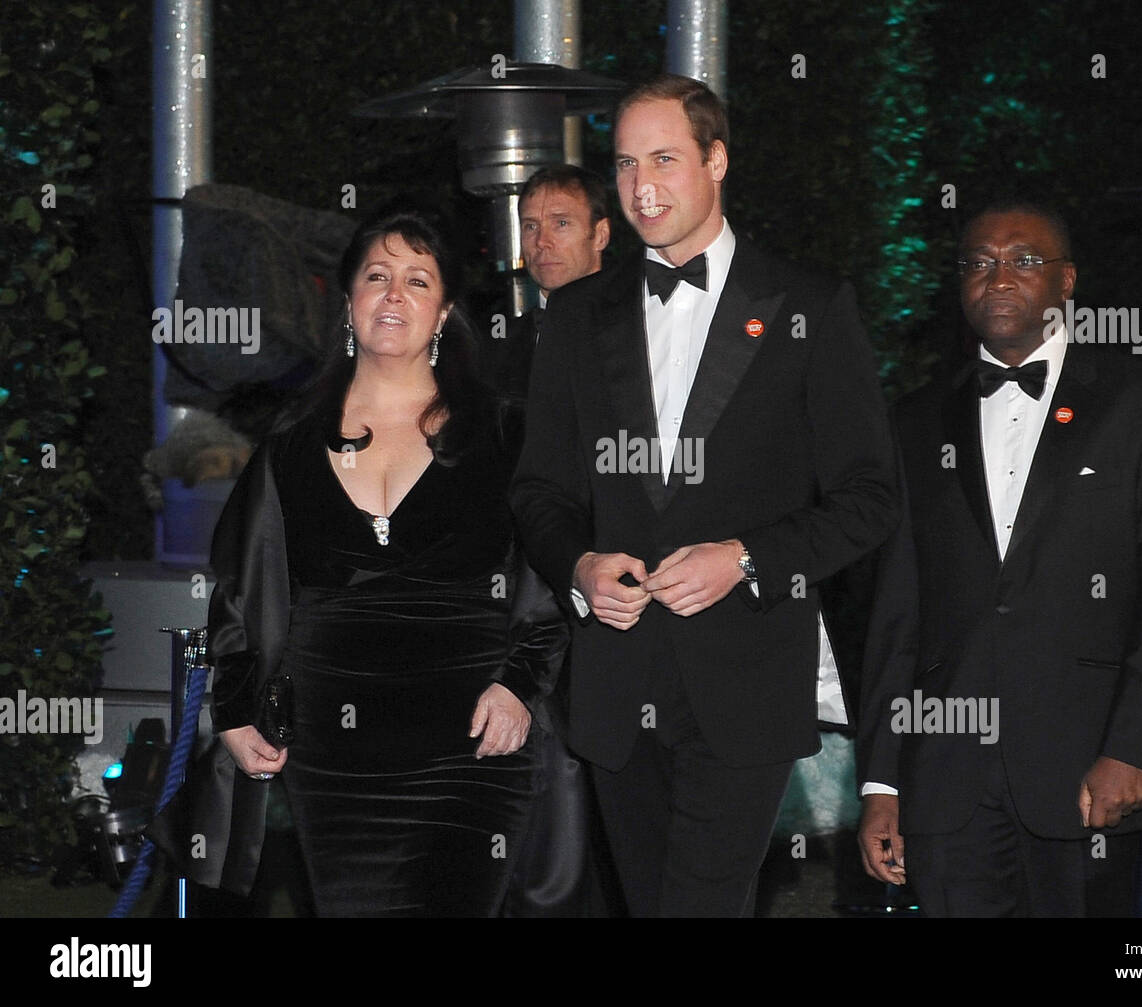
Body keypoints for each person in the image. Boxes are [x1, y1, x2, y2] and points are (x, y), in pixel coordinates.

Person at [510, 74, 898, 917]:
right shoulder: (575, 316)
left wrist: (748, 558)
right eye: (623, 166)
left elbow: (870, 497)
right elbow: (538, 489)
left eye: (664, 160)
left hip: (747, 683)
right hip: (617, 684)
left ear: (716, 160)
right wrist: (578, 565)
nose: (642, 187)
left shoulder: (808, 305)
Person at [159, 199, 567, 916]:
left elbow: (552, 573)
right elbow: (243, 591)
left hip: (470, 739)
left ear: (443, 314)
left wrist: (519, 684)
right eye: (377, 275)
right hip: (335, 756)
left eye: (418, 279)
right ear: (348, 302)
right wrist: (236, 708)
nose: (394, 294)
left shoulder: (503, 434)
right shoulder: (290, 442)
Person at [856, 199, 1142, 917]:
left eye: (1023, 259)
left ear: (1067, 279)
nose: (999, 277)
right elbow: (897, 610)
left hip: (1088, 771)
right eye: (979, 263)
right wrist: (883, 784)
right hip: (946, 782)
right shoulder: (915, 422)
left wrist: (1135, 747)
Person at [487, 164, 611, 399]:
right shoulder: (499, 348)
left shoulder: (639, 329)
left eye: (561, 223)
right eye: (531, 226)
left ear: (600, 235)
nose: (542, 241)